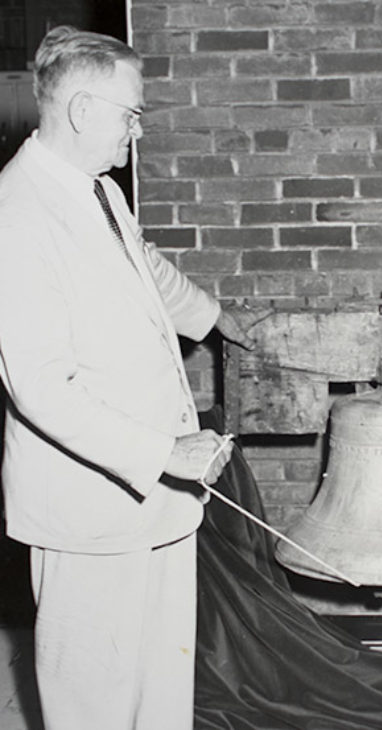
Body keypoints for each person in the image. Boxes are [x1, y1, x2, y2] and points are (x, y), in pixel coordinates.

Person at [0, 26, 266, 730]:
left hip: (156, 502)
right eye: (131, 113)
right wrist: (164, 454)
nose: (137, 132)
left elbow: (146, 268)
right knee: (93, 701)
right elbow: (41, 386)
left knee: (159, 688)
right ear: (83, 110)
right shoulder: (16, 217)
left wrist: (216, 318)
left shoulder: (97, 193)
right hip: (89, 507)